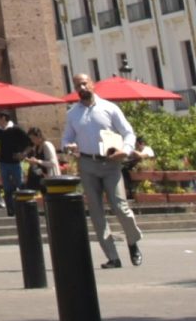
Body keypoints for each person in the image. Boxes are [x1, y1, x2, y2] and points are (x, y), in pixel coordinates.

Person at [61, 71, 143, 269]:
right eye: (77, 85)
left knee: (120, 207)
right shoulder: (72, 113)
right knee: (96, 212)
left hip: (111, 163)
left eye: (84, 84)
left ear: (92, 84)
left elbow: (128, 132)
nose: (81, 88)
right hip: (87, 164)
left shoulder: (109, 108)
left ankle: (132, 241)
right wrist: (68, 146)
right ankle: (112, 257)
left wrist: (126, 150)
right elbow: (66, 139)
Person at [0, 109, 31, 212]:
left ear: (3, 118)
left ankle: (24, 207)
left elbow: (29, 143)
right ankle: (11, 209)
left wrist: (23, 154)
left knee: (20, 184)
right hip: (2, 162)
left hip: (15, 162)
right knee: (7, 187)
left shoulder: (16, 129)